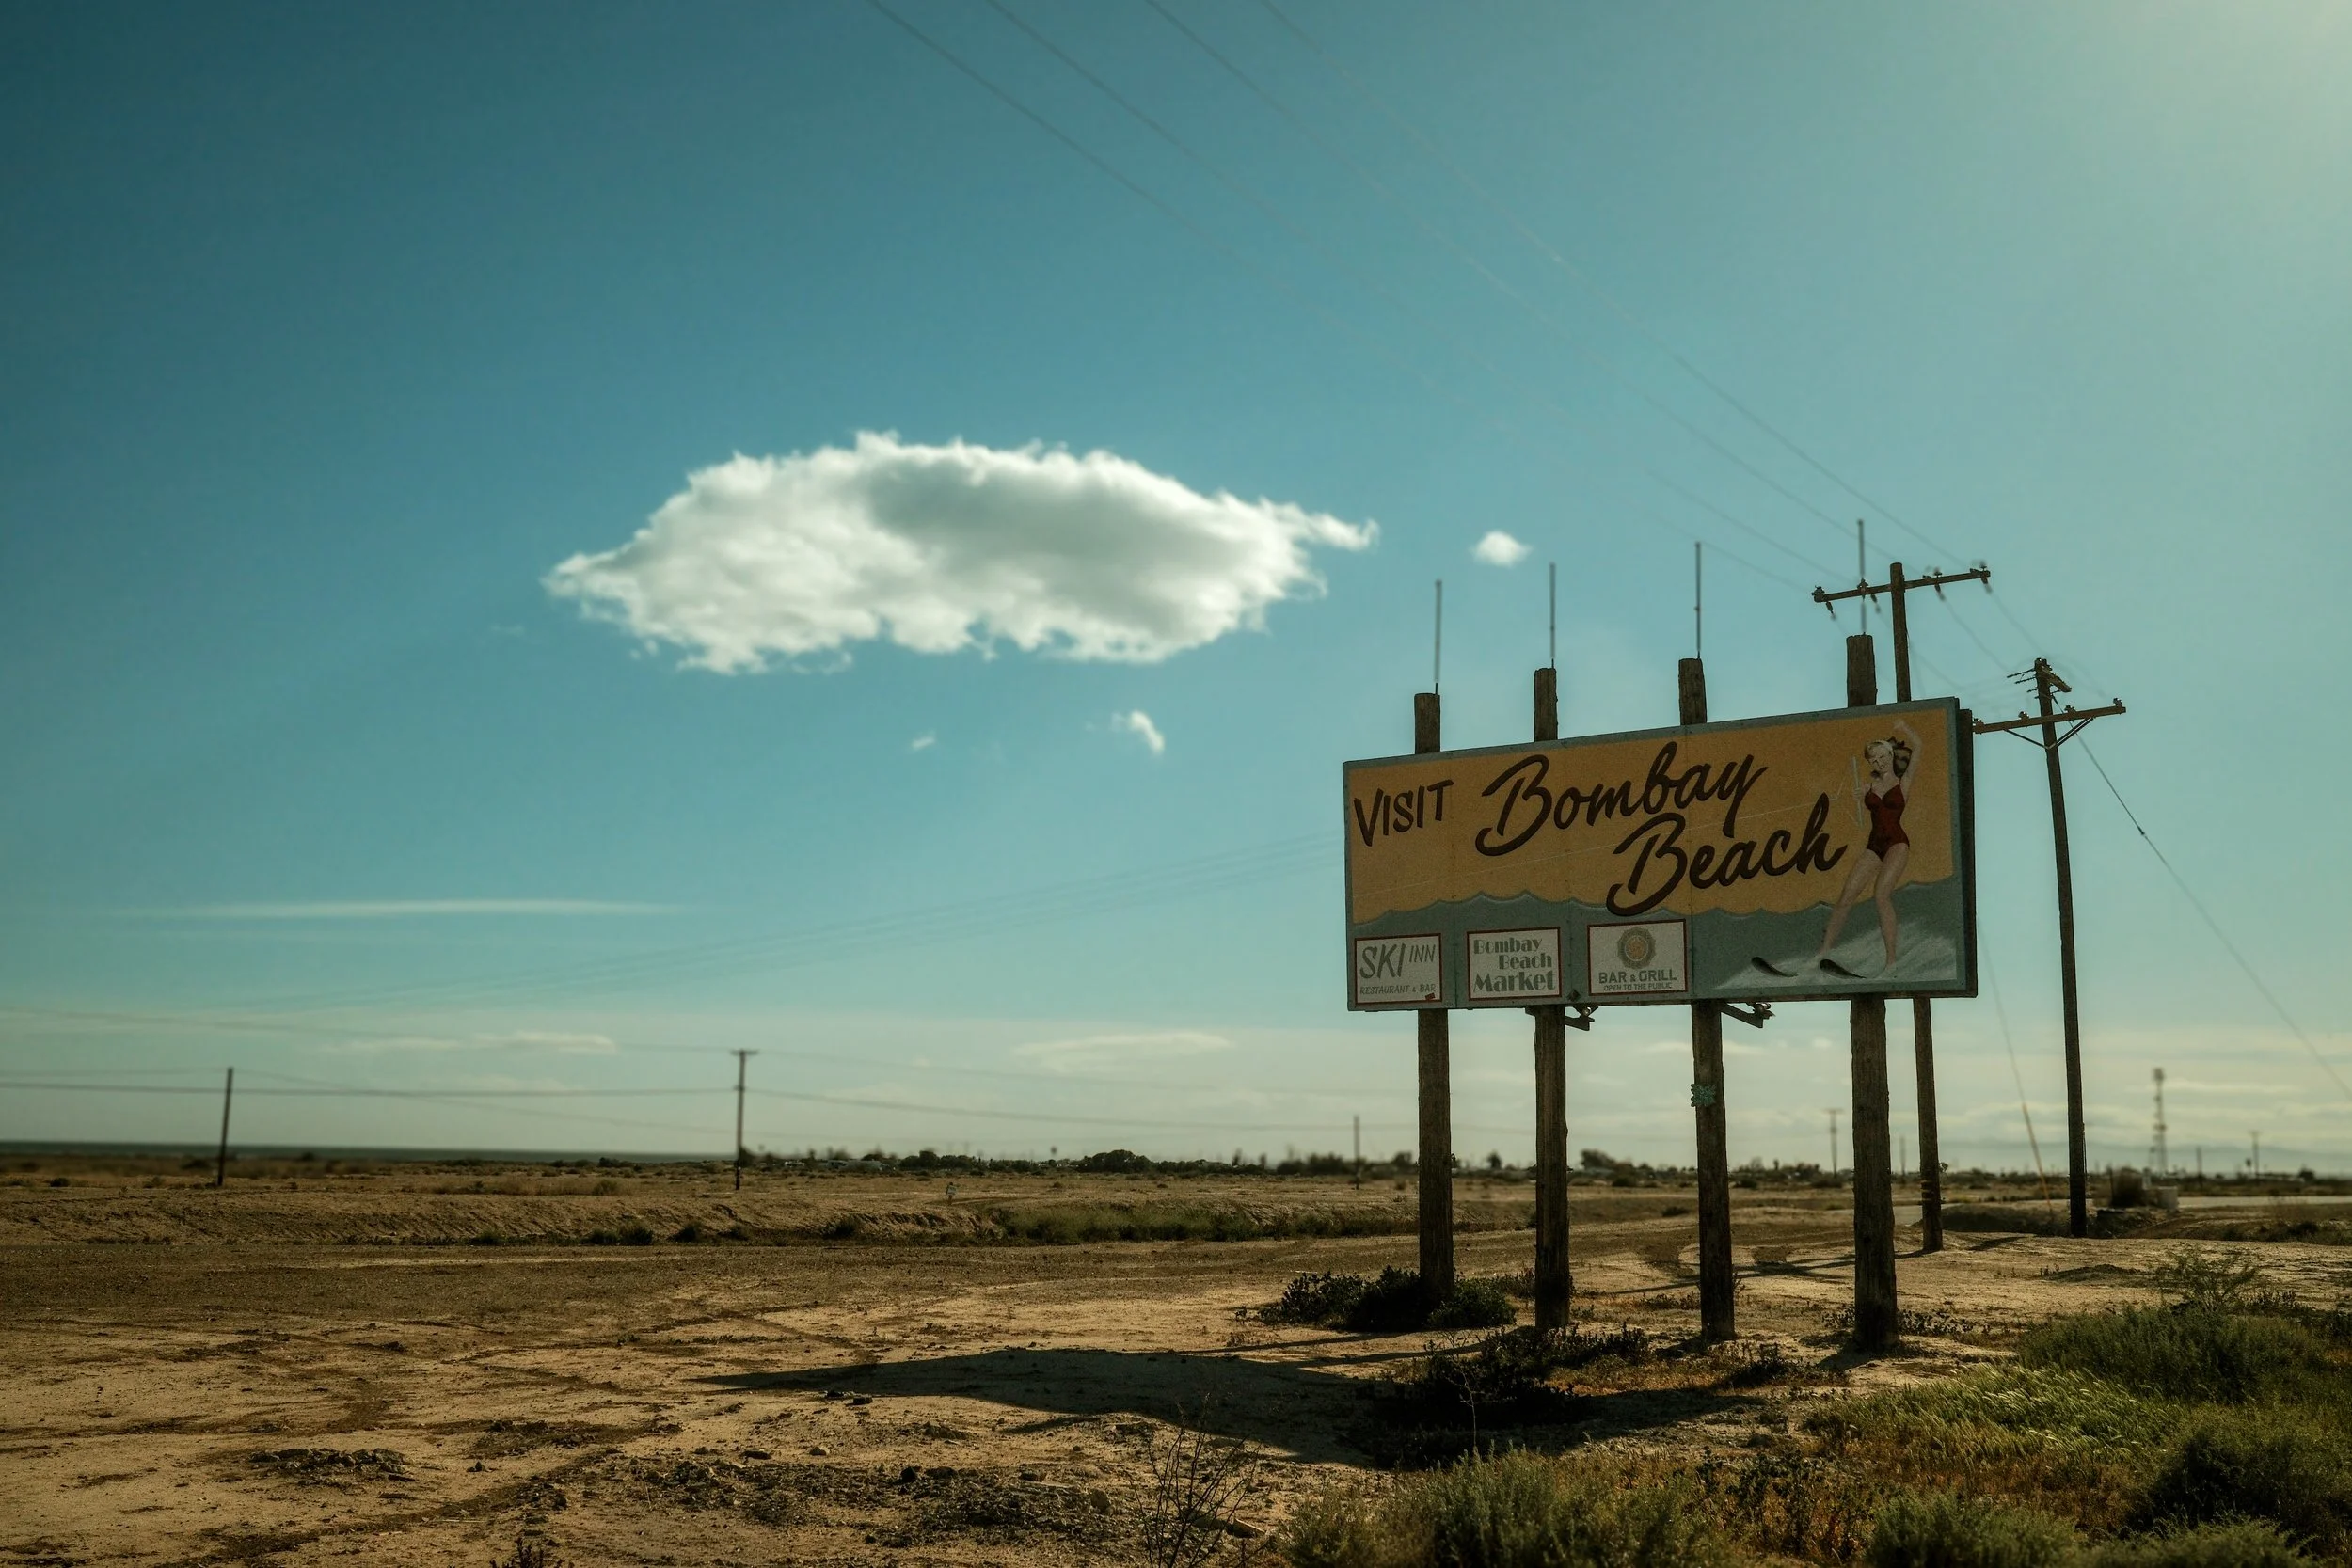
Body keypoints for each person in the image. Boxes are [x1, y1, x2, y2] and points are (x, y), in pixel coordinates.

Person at [1815, 720, 1920, 975]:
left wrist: (1904, 727)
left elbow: (1919, 745)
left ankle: (1892, 962)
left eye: (1882, 757)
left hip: (1897, 843)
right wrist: (1858, 797)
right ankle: (1823, 951)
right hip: (1874, 845)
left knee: (1881, 894)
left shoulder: (1903, 783)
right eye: (1873, 759)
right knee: (1847, 894)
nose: (1879, 762)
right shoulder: (1868, 788)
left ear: (1890, 756)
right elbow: (1864, 808)